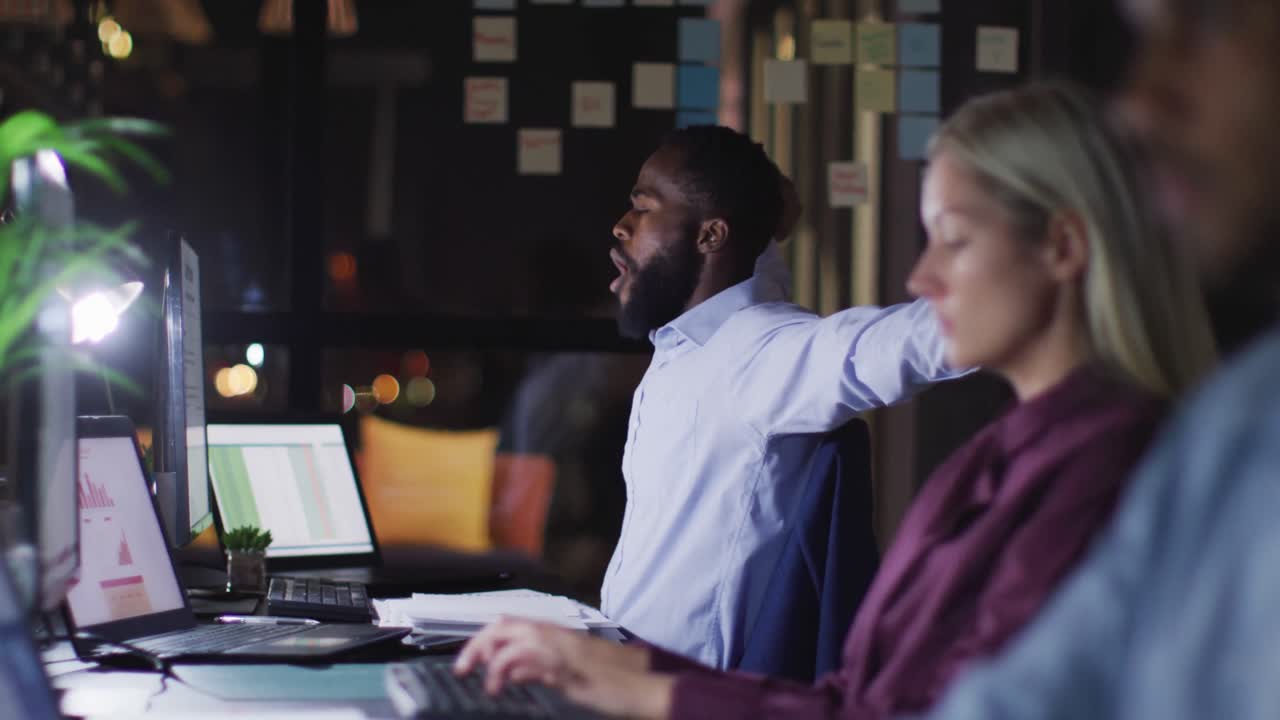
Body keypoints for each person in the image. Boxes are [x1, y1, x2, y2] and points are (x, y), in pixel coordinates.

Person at [453, 82, 1219, 720]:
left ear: (1061, 249)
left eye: (952, 239)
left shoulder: (771, 355)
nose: (919, 278)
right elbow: (860, 697)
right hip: (647, 669)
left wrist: (635, 685)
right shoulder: (983, 467)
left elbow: (894, 342)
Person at [907, 1, 1280, 718]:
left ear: (1063, 249)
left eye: (1211, 22)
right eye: (1145, 35)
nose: (1139, 104)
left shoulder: (1124, 453)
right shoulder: (1228, 426)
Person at [598, 125, 960, 668]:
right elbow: (747, 259)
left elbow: (898, 346)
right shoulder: (680, 348)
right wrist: (768, 219)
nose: (621, 227)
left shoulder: (768, 354)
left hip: (678, 696)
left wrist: (1026, 295)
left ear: (710, 236)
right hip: (613, 670)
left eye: (644, 208)